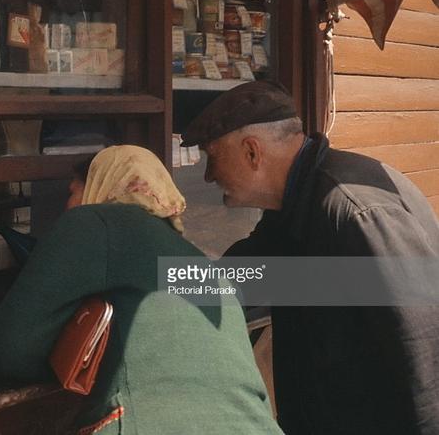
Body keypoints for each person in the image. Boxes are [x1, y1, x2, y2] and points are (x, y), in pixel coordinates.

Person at [181, 80, 439, 434]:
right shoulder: (292, 205)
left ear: (252, 152)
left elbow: (423, 355)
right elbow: (245, 277)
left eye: (213, 158)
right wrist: (164, 281)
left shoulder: (355, 212)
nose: (209, 177)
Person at [0, 145, 283, 434]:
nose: (66, 205)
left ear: (100, 185)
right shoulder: (197, 260)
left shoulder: (93, 221)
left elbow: (12, 350)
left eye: (72, 191)